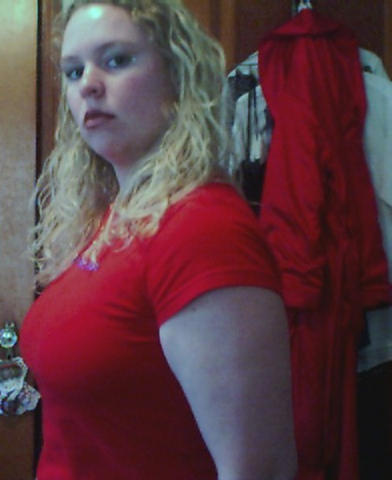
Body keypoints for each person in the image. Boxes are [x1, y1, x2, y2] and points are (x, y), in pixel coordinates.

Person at [19, 1, 298, 479]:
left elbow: (260, 470)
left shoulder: (201, 228)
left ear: (177, 77)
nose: (87, 84)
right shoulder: (113, 218)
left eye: (116, 60)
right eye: (74, 71)